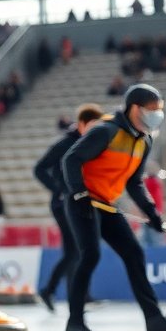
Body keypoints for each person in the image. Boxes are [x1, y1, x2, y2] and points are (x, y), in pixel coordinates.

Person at [60, 84, 166, 331]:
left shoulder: (144, 139)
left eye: (159, 110)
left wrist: (152, 214)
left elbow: (135, 182)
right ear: (135, 108)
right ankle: (75, 324)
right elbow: (71, 159)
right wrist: (79, 193)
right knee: (90, 255)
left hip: (107, 204)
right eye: (151, 109)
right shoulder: (105, 131)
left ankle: (154, 321)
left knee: (134, 254)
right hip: (83, 203)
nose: (156, 114)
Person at [34, 103, 105, 312]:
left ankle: (61, 292)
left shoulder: (91, 144)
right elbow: (39, 169)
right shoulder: (65, 143)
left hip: (81, 201)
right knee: (76, 250)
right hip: (62, 203)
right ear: (82, 124)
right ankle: (57, 292)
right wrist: (59, 189)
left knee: (80, 250)